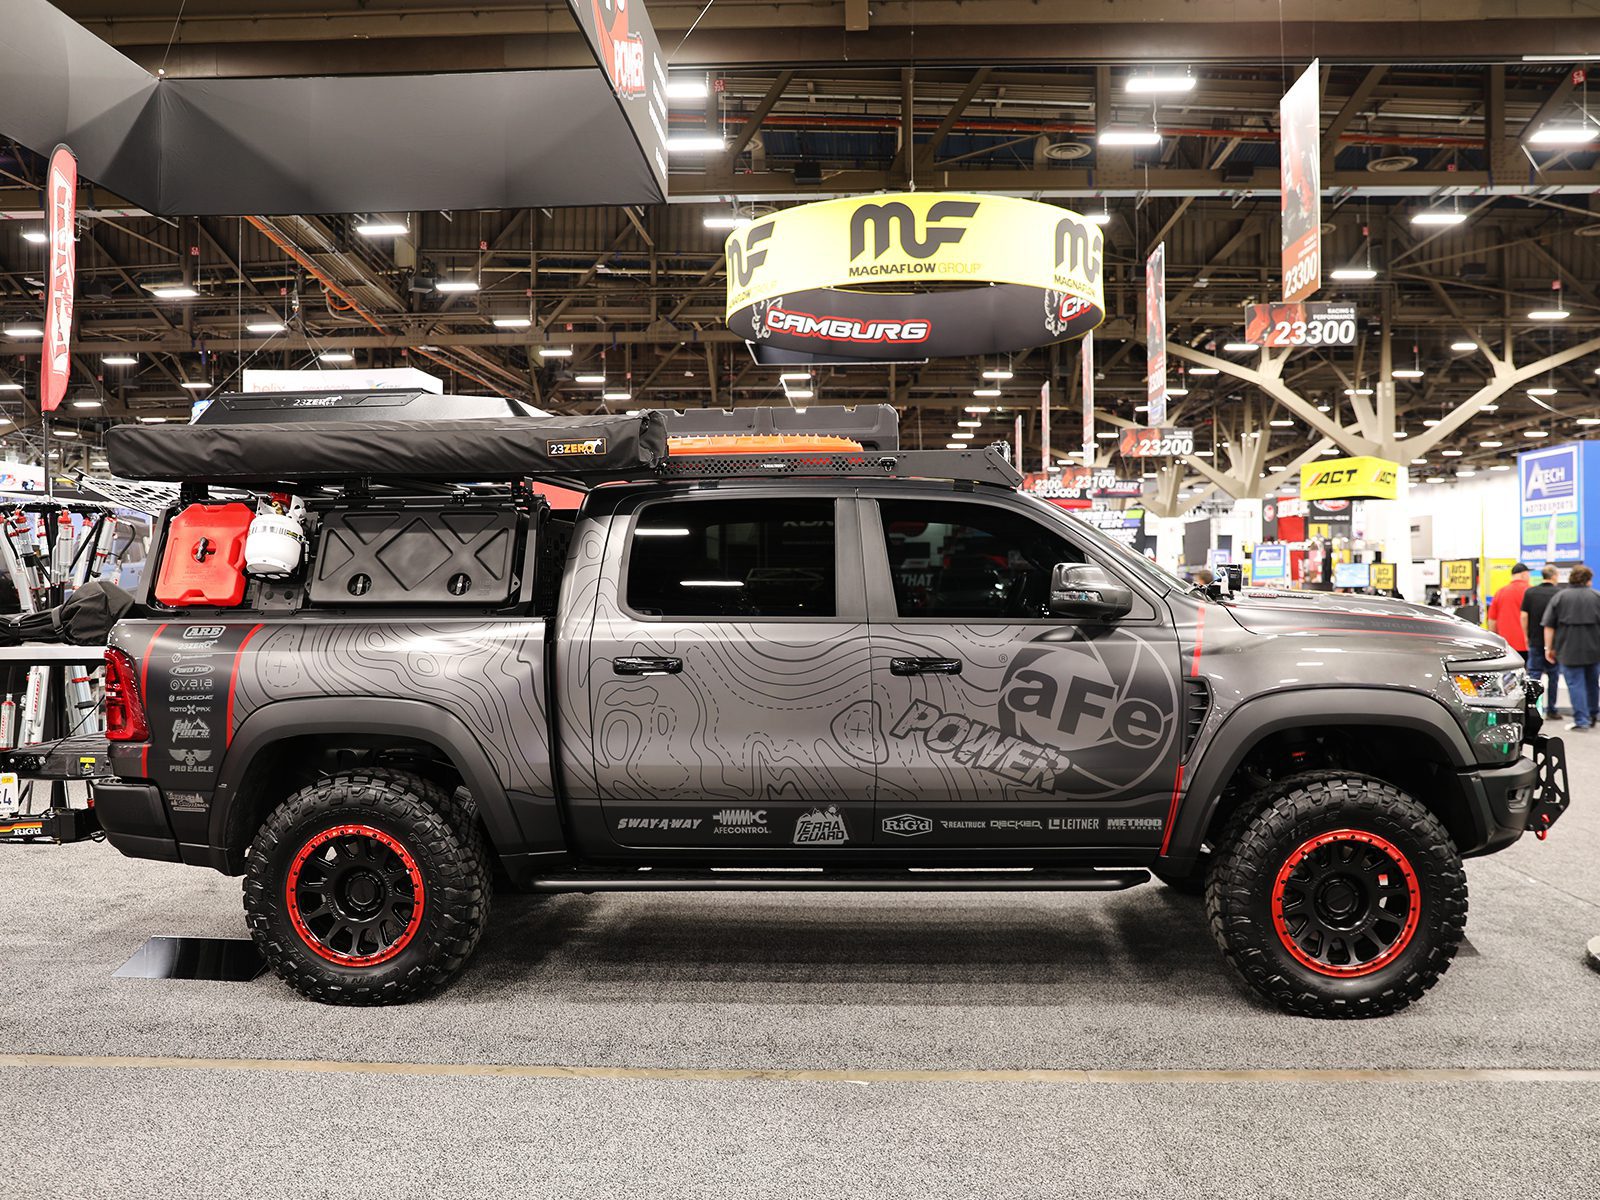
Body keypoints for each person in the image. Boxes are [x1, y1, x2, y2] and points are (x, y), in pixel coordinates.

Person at [1542, 564, 1600, 732]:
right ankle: (1593, 715)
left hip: (1568, 649)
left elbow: (1549, 626)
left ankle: (1581, 720)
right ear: (1588, 580)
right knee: (1592, 683)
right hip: (1594, 648)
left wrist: (1548, 648)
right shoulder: (1596, 597)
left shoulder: (1560, 597)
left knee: (1575, 684)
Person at [1523, 565, 1563, 717]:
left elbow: (1524, 616)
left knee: (1534, 675)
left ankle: (1533, 710)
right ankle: (1552, 709)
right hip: (1555, 643)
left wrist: (1526, 636)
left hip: (1535, 640)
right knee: (1554, 676)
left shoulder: (1530, 592)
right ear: (1554, 576)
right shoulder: (1560, 593)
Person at [1488, 562, 1531, 653]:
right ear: (1524, 574)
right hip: (1527, 643)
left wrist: (1495, 641)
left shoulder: (1500, 592)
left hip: (1505, 645)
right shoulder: (1531, 591)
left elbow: (1492, 620)